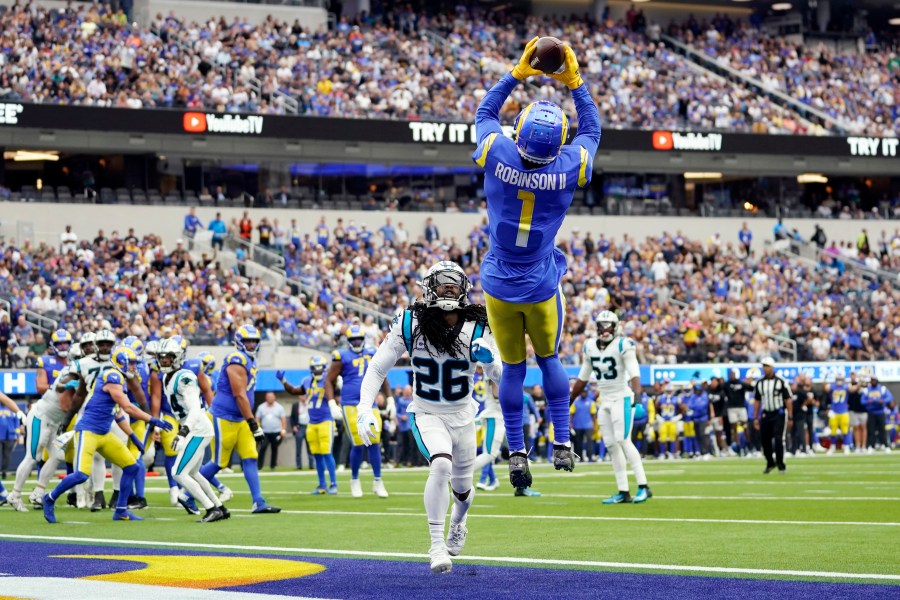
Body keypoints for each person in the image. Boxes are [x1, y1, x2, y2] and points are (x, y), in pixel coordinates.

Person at [471, 37, 601, 488]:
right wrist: (575, 82)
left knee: (513, 368)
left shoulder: (498, 153)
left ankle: (518, 452)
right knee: (548, 359)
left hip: (498, 282)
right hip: (541, 281)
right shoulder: (568, 167)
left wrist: (516, 73)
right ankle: (562, 443)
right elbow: (592, 131)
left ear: (520, 130)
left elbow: (485, 115)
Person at [354, 261, 502, 574]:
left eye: (454, 283)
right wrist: (364, 408)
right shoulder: (410, 321)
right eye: (442, 282)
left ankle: (458, 522)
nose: (449, 288)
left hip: (463, 414)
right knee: (441, 464)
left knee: (462, 492)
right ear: (428, 287)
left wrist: (490, 365)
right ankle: (436, 545)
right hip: (427, 412)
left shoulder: (479, 324)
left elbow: (503, 379)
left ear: (463, 289)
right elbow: (379, 366)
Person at [42, 346, 173, 523]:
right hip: (88, 431)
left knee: (132, 467)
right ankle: (49, 498)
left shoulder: (118, 378)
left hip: (104, 434)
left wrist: (133, 436)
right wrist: (152, 419)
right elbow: (127, 407)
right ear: (121, 362)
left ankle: (120, 510)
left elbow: (118, 413)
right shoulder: (112, 376)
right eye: (132, 363)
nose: (134, 367)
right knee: (81, 474)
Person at [570, 311, 651, 503]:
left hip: (622, 397)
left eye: (609, 325)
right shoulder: (589, 346)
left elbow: (634, 374)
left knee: (623, 440)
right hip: (604, 400)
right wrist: (568, 401)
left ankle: (643, 486)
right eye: (602, 325)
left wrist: (638, 399)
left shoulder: (624, 344)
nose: (605, 329)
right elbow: (583, 376)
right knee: (611, 445)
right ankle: (623, 491)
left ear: (616, 327)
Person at [199, 324, 281, 513]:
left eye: (254, 341)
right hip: (224, 417)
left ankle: (258, 502)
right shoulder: (237, 359)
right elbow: (239, 395)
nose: (251, 344)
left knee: (251, 457)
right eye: (247, 341)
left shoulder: (250, 360)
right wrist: (253, 423)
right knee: (219, 462)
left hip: (240, 418)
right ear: (239, 342)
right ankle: (187, 493)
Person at [156, 338, 228, 522]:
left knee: (178, 473)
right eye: (161, 357)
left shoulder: (185, 376)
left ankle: (211, 508)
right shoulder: (166, 377)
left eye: (168, 357)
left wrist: (183, 431)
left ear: (177, 358)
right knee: (194, 473)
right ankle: (219, 506)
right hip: (194, 427)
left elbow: (195, 408)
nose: (164, 361)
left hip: (197, 428)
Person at [324, 324, 393, 498]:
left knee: (374, 441)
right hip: (350, 403)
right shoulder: (341, 356)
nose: (356, 342)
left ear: (363, 340)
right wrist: (332, 403)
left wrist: (390, 398)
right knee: (358, 442)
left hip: (370, 402)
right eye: (353, 339)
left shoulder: (372, 352)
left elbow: (381, 374)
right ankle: (354, 480)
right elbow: (328, 380)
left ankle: (378, 481)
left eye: (358, 339)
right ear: (348, 341)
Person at [278, 356, 341, 494]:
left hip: (325, 421)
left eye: (320, 369)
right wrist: (283, 381)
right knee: (316, 455)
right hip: (312, 423)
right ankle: (322, 485)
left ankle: (334, 484)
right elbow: (295, 391)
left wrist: (338, 381)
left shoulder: (329, 380)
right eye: (315, 369)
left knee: (327, 453)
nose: (317, 371)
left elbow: (337, 387)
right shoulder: (307, 381)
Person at [753, 357, 793, 474]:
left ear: (772, 367)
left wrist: (790, 416)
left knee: (778, 439)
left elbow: (788, 399)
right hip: (766, 414)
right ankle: (770, 462)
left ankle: (781, 465)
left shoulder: (781, 381)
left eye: (767, 366)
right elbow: (757, 400)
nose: (765, 368)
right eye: (764, 366)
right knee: (765, 440)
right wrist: (756, 417)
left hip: (778, 413)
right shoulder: (760, 383)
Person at [35, 329, 72, 395]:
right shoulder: (45, 361)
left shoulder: (75, 362)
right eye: (60, 344)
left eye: (65, 344)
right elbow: (40, 387)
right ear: (53, 345)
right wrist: (60, 387)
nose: (63, 347)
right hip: (50, 401)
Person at [256, 392, 287, 470]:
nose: (270, 398)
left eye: (271, 397)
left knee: (274, 448)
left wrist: (283, 430)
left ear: (274, 397)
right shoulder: (261, 407)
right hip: (265, 431)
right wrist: (257, 430)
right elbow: (257, 419)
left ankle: (273, 466)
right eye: (268, 397)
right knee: (263, 447)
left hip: (276, 431)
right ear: (266, 398)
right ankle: (259, 466)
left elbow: (283, 419)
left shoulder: (279, 407)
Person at [724, 369, 751, 456]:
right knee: (734, 428)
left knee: (745, 426)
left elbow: (751, 388)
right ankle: (738, 447)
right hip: (731, 408)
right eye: (731, 374)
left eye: (733, 374)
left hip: (741, 407)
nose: (732, 376)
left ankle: (748, 446)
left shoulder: (741, 383)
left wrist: (749, 382)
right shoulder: (727, 384)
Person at [863, 375, 893, 452]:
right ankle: (871, 446)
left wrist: (883, 401)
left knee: (882, 430)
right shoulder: (867, 390)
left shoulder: (882, 389)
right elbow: (862, 401)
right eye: (872, 380)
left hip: (880, 412)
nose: (873, 382)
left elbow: (889, 397)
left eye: (874, 380)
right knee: (871, 430)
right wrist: (868, 402)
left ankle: (885, 445)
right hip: (871, 412)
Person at [824, 374, 852, 454]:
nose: (839, 380)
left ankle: (846, 446)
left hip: (844, 411)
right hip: (834, 411)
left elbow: (853, 389)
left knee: (845, 430)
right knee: (833, 431)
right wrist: (825, 380)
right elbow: (825, 388)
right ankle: (832, 447)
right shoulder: (832, 386)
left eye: (840, 379)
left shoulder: (846, 386)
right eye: (838, 379)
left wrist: (859, 382)